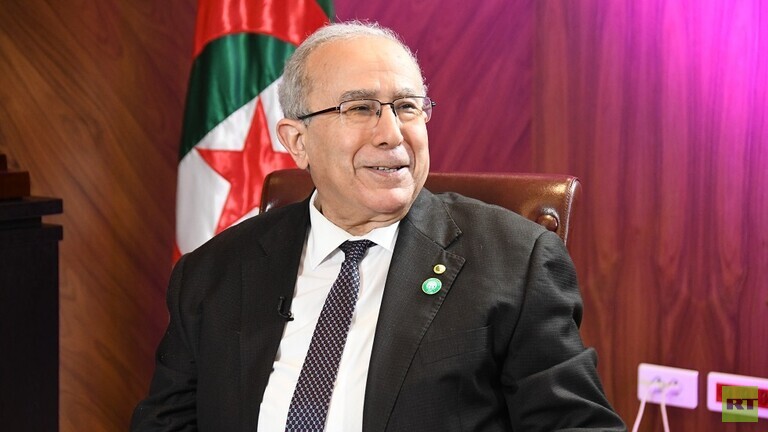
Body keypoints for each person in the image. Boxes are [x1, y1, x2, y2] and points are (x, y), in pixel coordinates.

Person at [131, 21, 626, 431]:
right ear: (297, 141)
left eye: (407, 106)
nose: (392, 134)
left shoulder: (515, 262)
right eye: (360, 108)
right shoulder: (212, 274)